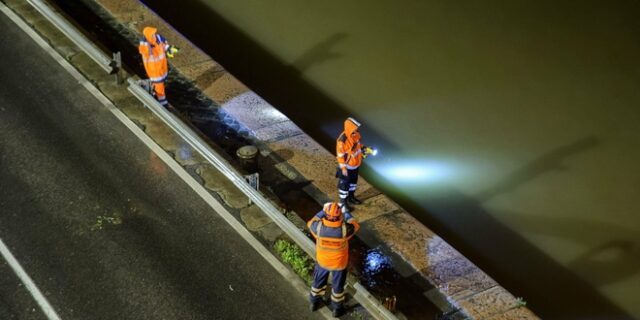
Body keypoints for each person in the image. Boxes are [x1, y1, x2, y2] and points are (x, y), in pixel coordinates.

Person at [307, 202, 360, 317]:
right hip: (339, 264)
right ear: (339, 216)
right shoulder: (345, 230)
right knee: (337, 287)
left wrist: (323, 210)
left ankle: (314, 302)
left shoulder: (318, 228)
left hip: (323, 262)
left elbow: (310, 222)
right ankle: (336, 309)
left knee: (318, 283)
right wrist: (346, 212)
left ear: (326, 215)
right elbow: (355, 225)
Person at [138, 27, 177, 106]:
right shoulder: (145, 45)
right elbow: (144, 50)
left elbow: (163, 45)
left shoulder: (158, 38)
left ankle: (152, 89)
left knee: (160, 84)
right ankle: (163, 103)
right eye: (152, 35)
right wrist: (147, 44)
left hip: (161, 67)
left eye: (154, 34)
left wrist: (169, 48)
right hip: (154, 71)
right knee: (160, 87)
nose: (154, 35)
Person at [336, 117, 369, 210]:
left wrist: (364, 148)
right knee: (344, 185)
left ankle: (351, 197)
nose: (356, 129)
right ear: (349, 128)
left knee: (353, 183)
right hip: (347, 167)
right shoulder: (342, 141)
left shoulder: (356, 135)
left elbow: (358, 145)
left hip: (355, 165)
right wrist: (343, 168)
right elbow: (340, 156)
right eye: (354, 128)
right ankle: (343, 203)